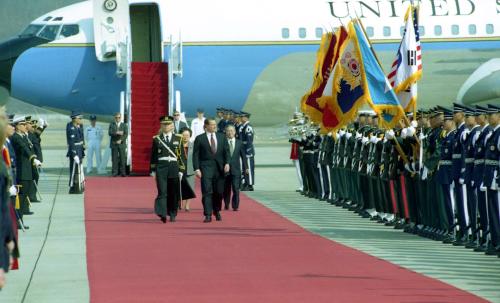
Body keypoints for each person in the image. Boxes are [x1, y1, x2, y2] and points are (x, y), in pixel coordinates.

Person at [192, 118, 230, 222]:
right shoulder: (200, 138)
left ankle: (216, 210)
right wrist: (196, 168)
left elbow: (227, 151)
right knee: (207, 192)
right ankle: (208, 214)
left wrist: (227, 163)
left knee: (219, 192)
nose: (214, 126)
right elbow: (195, 155)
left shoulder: (222, 137)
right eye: (212, 124)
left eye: (215, 124)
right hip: (206, 168)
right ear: (206, 126)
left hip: (219, 169)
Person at [150, 116, 185, 223]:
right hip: (161, 167)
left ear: (172, 126)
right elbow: (153, 155)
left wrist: (181, 170)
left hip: (174, 167)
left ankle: (173, 213)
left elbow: (182, 156)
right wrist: (152, 170)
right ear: (161, 125)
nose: (166, 126)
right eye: (164, 124)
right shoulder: (157, 139)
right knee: (162, 191)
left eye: (168, 124)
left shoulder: (178, 138)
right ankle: (162, 212)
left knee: (173, 192)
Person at [223, 124, 245, 211]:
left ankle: (235, 206)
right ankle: (226, 203)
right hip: (225, 170)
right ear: (225, 132)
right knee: (226, 189)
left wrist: (246, 168)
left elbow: (243, 157)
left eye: (231, 130)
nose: (230, 132)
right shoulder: (223, 142)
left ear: (235, 132)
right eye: (228, 130)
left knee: (236, 188)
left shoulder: (239, 143)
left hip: (236, 170)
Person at [66, 111, 85, 194]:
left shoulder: (79, 126)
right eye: (79, 118)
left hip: (80, 149)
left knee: (79, 169)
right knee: (74, 170)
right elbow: (71, 142)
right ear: (75, 119)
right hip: (75, 150)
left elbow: (82, 137)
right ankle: (73, 188)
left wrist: (83, 145)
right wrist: (74, 154)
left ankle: (79, 186)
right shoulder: (70, 128)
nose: (81, 119)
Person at [179, 127, 196, 211]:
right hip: (180, 169)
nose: (185, 137)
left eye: (187, 135)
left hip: (190, 169)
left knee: (190, 187)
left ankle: (187, 205)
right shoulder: (177, 145)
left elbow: (196, 158)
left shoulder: (193, 145)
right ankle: (179, 203)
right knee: (180, 187)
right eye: (184, 135)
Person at [109, 112, 128, 177]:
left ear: (121, 118)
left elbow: (126, 134)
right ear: (115, 118)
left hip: (121, 144)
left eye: (119, 117)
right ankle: (115, 172)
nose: (117, 118)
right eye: (116, 117)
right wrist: (117, 132)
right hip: (114, 144)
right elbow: (110, 133)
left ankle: (123, 172)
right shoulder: (112, 124)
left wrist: (121, 140)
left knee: (122, 159)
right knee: (114, 159)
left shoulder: (124, 125)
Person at [240, 111, 255, 191]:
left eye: (242, 117)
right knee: (245, 167)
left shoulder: (248, 127)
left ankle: (250, 184)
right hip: (244, 149)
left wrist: (248, 152)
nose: (241, 118)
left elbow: (249, 141)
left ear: (246, 118)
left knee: (249, 167)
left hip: (247, 150)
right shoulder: (244, 126)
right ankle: (246, 182)